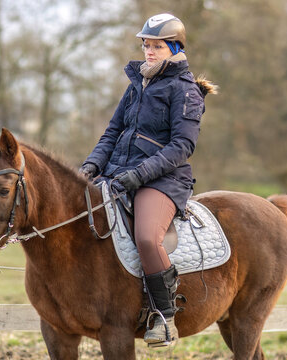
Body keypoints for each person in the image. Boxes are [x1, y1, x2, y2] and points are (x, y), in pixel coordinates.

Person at [79, 13, 215, 346]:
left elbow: (182, 146)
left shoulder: (186, 92)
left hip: (162, 181)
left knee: (146, 238)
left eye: (156, 46)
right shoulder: (137, 85)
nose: (149, 52)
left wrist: (139, 175)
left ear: (174, 47)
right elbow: (113, 131)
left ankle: (164, 318)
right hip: (117, 173)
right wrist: (91, 166)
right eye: (146, 45)